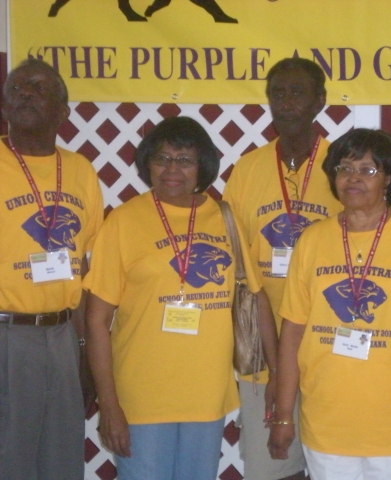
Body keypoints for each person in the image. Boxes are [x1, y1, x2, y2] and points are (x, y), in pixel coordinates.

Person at [83, 116, 278, 480]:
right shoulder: (124, 222)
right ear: (147, 165)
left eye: (185, 159)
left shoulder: (225, 218)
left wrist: (276, 375)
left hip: (206, 392)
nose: (172, 169)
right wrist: (108, 403)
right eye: (162, 159)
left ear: (203, 165)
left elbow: (257, 296)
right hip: (142, 394)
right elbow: (96, 320)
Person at [267, 128, 391, 480]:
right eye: (344, 168)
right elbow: (292, 333)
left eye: (368, 170)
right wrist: (282, 415)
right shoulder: (312, 240)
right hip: (326, 422)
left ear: (389, 179)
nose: (353, 178)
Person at [223, 57, 342, 480]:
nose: (286, 103)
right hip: (263, 348)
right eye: (278, 93)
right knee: (273, 466)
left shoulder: (342, 167)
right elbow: (235, 261)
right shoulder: (248, 170)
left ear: (320, 101)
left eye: (297, 92)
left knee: (336, 464)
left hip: (330, 343)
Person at [0, 58, 104, 479]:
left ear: (63, 111)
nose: (25, 93)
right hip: (7, 336)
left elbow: (83, 267)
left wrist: (84, 353)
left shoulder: (79, 170)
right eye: (17, 89)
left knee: (61, 460)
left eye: (38, 88)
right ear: (5, 106)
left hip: (63, 336)